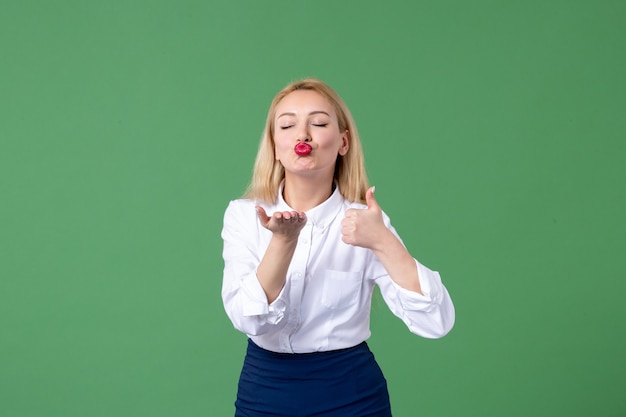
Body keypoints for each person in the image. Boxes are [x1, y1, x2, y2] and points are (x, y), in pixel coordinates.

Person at [221, 78, 455, 417]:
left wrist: (383, 242)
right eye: (287, 125)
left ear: (343, 142)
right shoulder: (244, 215)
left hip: (351, 395)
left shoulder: (367, 221)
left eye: (318, 123)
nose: (303, 134)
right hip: (266, 391)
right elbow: (249, 320)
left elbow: (436, 322)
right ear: (274, 144)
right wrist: (283, 242)